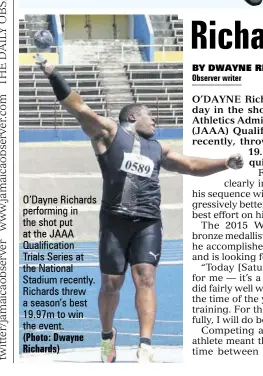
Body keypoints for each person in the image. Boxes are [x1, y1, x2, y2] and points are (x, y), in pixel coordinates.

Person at [35, 55, 244, 363]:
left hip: (148, 222)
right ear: (132, 117)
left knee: (145, 277)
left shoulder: (159, 148)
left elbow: (191, 166)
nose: (155, 121)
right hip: (114, 222)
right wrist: (53, 74)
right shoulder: (109, 134)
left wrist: (224, 163)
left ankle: (145, 344)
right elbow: (78, 107)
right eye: (150, 116)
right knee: (111, 284)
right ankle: (108, 337)